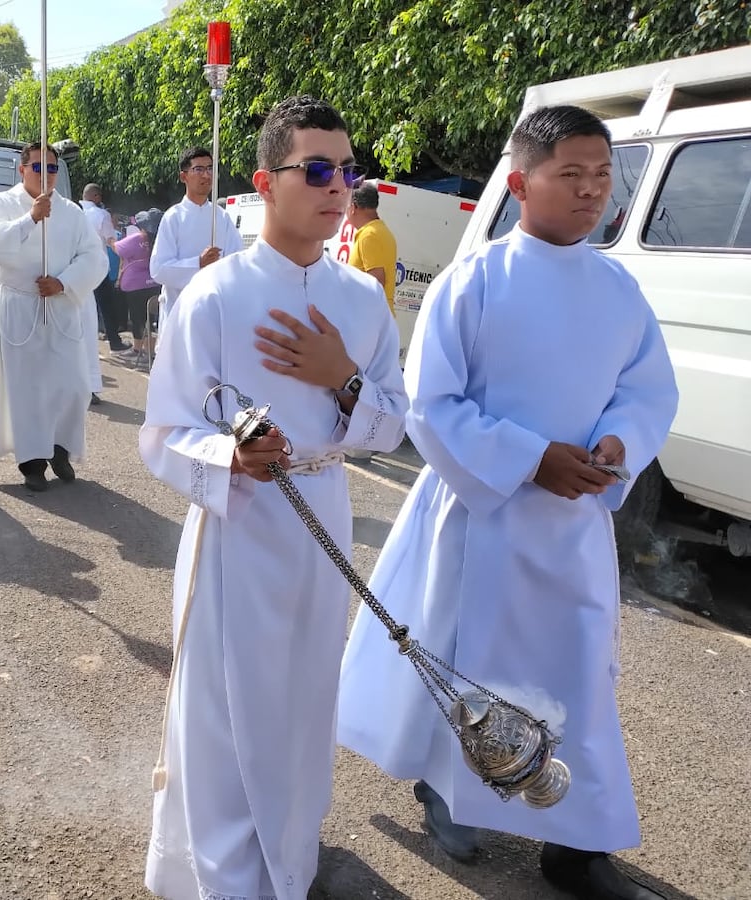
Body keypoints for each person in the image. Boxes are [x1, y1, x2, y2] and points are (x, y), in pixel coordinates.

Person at [337, 105, 679, 900]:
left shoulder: (619, 287)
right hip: (481, 516)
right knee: (468, 665)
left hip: (573, 525)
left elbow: (646, 389)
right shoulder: (476, 279)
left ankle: (576, 844)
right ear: (521, 183)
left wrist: (619, 444)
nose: (593, 192)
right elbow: (432, 402)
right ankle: (446, 793)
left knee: (579, 675)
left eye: (603, 177)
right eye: (573, 175)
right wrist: (531, 460)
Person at [141, 96, 408, 900]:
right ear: (265, 181)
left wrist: (343, 377)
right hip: (240, 522)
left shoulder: (361, 300)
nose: (338, 187)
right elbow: (162, 433)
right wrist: (229, 454)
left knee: (303, 696)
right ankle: (223, 874)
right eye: (317, 170)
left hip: (325, 514)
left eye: (347, 170)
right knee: (227, 705)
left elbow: (392, 427)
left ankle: (290, 853)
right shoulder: (215, 298)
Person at [0, 142, 108, 492]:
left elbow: (95, 258)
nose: (46, 174)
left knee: (73, 386)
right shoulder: (1, 204)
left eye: (52, 168)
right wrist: (31, 217)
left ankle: (60, 448)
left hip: (63, 304)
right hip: (21, 305)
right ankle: (32, 462)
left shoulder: (72, 212)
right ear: (21, 170)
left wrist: (64, 282)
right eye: (38, 167)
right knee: (28, 389)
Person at [148, 146, 243, 332]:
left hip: (215, 314)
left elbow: (237, 262)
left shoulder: (222, 218)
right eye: (199, 169)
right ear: (184, 176)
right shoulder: (173, 217)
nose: (206, 175)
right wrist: (197, 263)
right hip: (180, 315)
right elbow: (158, 269)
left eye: (210, 169)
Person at [81, 183, 131, 357]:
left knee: (81, 305)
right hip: (97, 267)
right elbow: (111, 241)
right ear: (96, 197)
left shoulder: (75, 212)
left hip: (77, 266)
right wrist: (125, 256)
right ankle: (115, 344)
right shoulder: (101, 215)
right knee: (106, 305)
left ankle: (82, 344)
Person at [112, 208, 162, 366]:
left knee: (137, 319)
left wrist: (109, 241)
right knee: (150, 318)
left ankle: (138, 350)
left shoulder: (137, 238)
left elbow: (118, 248)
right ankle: (149, 350)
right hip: (154, 283)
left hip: (135, 286)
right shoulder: (159, 241)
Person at [346, 181, 398, 316]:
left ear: (353, 207)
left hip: (370, 318)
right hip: (379, 317)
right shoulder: (381, 230)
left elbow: (376, 281)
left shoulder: (368, 235)